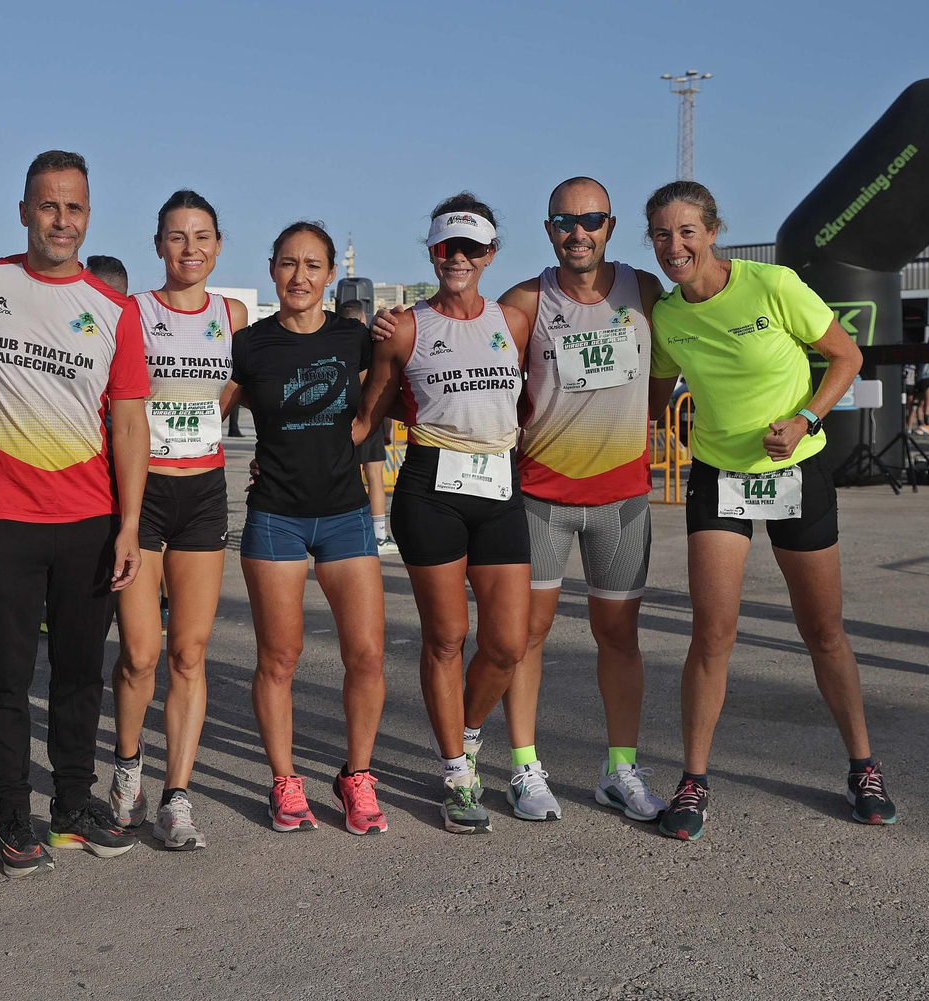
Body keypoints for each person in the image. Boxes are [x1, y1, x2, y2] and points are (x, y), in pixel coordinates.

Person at [644, 180, 897, 841]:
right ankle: (693, 779)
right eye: (662, 234)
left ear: (713, 231)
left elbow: (846, 355)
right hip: (718, 477)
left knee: (823, 631)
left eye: (687, 231)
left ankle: (863, 767)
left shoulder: (772, 284)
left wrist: (806, 417)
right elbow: (654, 394)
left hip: (795, 471)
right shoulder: (667, 315)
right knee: (712, 634)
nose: (675, 245)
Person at [0, 150, 150, 876]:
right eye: (48, 205)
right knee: (5, 675)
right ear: (24, 212)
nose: (61, 220)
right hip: (5, 516)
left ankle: (71, 806)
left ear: (88, 216)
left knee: (79, 675)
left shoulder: (115, 310)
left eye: (73, 208)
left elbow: (129, 424)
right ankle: (13, 813)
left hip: (88, 520)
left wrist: (129, 525)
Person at [494, 178, 667, 823]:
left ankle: (620, 770)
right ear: (549, 230)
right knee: (525, 637)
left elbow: (664, 377)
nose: (578, 232)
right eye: (565, 221)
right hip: (542, 497)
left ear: (610, 226)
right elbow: (483, 378)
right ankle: (524, 766)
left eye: (591, 220)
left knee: (619, 637)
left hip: (623, 498)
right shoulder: (525, 301)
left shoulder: (643, 290)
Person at [355, 195, 528, 834]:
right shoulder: (405, 328)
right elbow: (367, 415)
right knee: (447, 636)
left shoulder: (514, 322)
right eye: (446, 247)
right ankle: (457, 773)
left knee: (507, 644)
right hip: (432, 488)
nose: (458, 258)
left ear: (490, 254)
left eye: (471, 248)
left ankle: (467, 733)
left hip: (500, 484)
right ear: (431, 251)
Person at [233, 221, 388, 836]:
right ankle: (285, 781)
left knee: (367, 655)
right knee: (280, 657)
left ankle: (357, 777)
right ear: (273, 268)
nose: (300, 276)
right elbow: (204, 410)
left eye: (313, 265)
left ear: (329, 275)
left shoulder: (355, 338)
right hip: (276, 516)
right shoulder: (249, 344)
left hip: (346, 514)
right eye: (288, 264)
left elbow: (390, 385)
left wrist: (365, 423)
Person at [109, 190, 245, 851]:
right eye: (177, 236)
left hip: (205, 495)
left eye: (202, 236)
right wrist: (126, 517)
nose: (190, 248)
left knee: (189, 653)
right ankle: (127, 768)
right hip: (144, 495)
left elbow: (237, 383)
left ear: (218, 245)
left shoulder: (232, 314)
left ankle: (177, 796)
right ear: (158, 245)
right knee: (140, 653)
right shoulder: (133, 312)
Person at [337, 298, 396, 555]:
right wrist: (387, 430)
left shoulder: (333, 345)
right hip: (370, 420)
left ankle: (346, 533)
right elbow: (383, 391)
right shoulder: (372, 346)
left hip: (342, 421)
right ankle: (379, 536)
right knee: (375, 477)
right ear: (364, 319)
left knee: (345, 478)